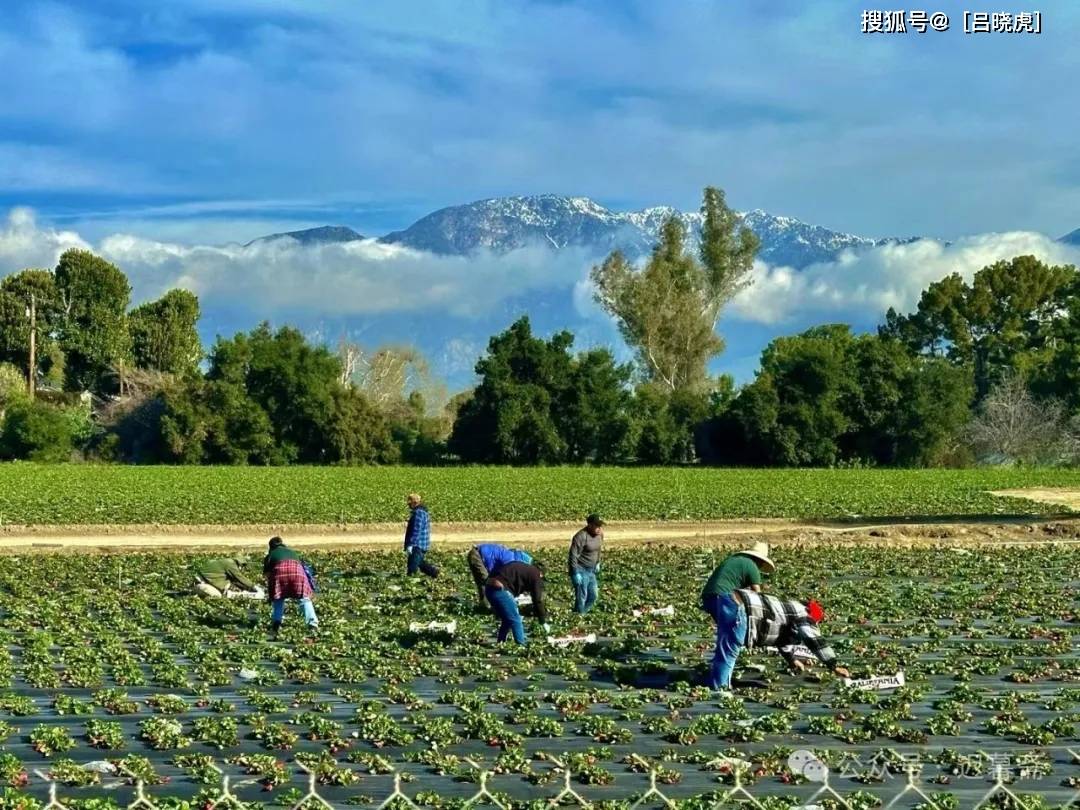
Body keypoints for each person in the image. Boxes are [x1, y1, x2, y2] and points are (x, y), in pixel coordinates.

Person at [700, 541, 774, 692]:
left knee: (725, 638)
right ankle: (720, 687)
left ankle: (716, 677)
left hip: (709, 598)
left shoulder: (735, 561)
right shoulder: (751, 565)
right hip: (726, 598)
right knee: (731, 642)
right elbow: (757, 596)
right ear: (759, 560)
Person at [734, 590, 851, 679]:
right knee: (729, 651)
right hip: (747, 610)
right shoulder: (804, 616)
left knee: (727, 648)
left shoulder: (793, 609)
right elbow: (813, 639)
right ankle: (720, 685)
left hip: (742, 600)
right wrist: (834, 666)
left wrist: (792, 660)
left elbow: (784, 639)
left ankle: (720, 683)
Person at [484, 560, 550, 645]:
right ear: (541, 574)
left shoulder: (525, 568)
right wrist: (542, 620)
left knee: (507, 618)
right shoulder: (536, 575)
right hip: (500, 589)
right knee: (516, 618)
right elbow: (537, 600)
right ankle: (521, 645)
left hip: (489, 589)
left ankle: (501, 642)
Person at [263, 536, 318, 636]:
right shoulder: (292, 552)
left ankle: (276, 624)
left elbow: (267, 575)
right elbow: (302, 566)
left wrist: (271, 592)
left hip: (280, 572)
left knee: (278, 599)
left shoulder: (270, 555)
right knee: (304, 599)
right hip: (297, 572)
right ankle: (312, 625)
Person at [466, 542, 533, 608]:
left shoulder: (512, 557)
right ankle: (487, 607)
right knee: (487, 582)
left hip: (479, 555)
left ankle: (485, 605)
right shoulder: (510, 561)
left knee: (486, 582)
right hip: (478, 556)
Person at [568, 514, 604, 614]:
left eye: (600, 526)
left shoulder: (600, 534)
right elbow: (573, 555)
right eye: (597, 526)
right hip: (580, 569)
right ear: (590, 525)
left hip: (591, 569)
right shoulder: (580, 536)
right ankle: (579, 616)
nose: (599, 528)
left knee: (593, 596)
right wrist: (575, 573)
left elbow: (598, 549)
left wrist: (598, 562)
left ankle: (580, 613)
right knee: (582, 596)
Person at [193, 556, 263, 599]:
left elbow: (235, 581)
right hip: (201, 585)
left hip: (203, 584)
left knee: (225, 593)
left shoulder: (224, 563)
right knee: (217, 597)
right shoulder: (230, 564)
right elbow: (239, 578)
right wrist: (254, 587)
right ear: (240, 564)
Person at [404, 494, 439, 578]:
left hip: (418, 544)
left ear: (414, 503)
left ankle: (410, 581)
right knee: (420, 563)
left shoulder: (418, 513)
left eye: (410, 503)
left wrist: (411, 544)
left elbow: (416, 530)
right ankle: (434, 573)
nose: (408, 505)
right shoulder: (423, 511)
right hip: (422, 543)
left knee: (412, 567)